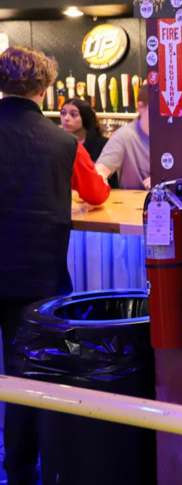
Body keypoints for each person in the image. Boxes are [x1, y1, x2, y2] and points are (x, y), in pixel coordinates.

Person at [0, 46, 109, 485]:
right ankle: (22, 471)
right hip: (37, 279)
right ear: (44, 90)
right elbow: (97, 194)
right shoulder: (63, 143)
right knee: (27, 379)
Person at [95, 85, 150, 190]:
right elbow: (101, 169)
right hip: (135, 204)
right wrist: (99, 177)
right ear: (140, 107)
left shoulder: (178, 135)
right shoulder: (124, 136)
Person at [60, 97, 106, 162]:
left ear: (85, 117)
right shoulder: (58, 143)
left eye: (73, 114)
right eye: (63, 113)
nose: (66, 118)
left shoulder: (103, 145)